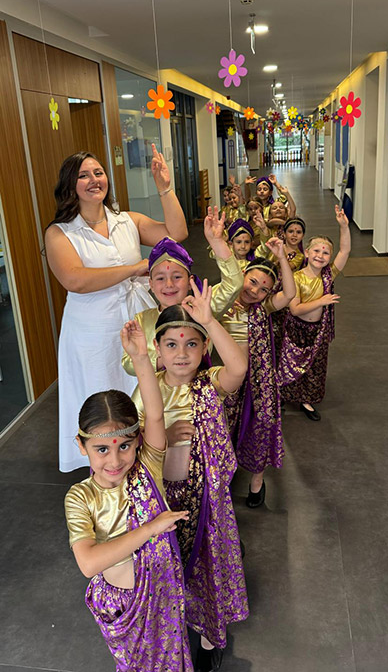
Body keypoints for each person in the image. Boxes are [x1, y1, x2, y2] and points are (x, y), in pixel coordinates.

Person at [45, 147, 188, 472]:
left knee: (143, 389)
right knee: (102, 397)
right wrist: (135, 268)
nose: (94, 180)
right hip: (92, 330)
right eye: (83, 175)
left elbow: (176, 234)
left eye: (98, 173)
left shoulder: (127, 220)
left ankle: (146, 461)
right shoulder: (60, 232)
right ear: (70, 185)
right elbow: (75, 279)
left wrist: (165, 188)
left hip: (136, 319)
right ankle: (109, 470)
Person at [132, 282, 249, 672]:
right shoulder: (145, 390)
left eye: (191, 344)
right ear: (157, 349)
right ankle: (173, 624)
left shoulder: (209, 384)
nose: (181, 353)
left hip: (207, 503)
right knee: (171, 567)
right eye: (171, 344)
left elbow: (238, 369)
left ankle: (209, 636)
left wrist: (210, 321)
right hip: (163, 500)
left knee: (207, 567)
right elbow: (135, 442)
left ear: (204, 348)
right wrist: (163, 434)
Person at [64, 321, 193, 671]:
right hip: (122, 604)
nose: (115, 460)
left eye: (124, 446)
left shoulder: (147, 465)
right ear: (82, 446)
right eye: (101, 449)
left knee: (171, 661)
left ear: (138, 441)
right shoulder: (81, 497)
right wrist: (151, 529)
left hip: (164, 591)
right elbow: (89, 563)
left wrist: (140, 358)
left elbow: (155, 414)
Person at [221, 242, 296, 508]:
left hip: (259, 381)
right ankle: (222, 475)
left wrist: (281, 258)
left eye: (264, 289)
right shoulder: (222, 305)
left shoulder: (262, 308)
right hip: (227, 381)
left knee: (261, 423)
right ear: (242, 275)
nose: (255, 291)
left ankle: (257, 479)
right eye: (252, 282)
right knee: (224, 427)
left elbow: (289, 293)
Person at [122, 206, 243, 370]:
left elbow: (234, 283)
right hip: (156, 387)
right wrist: (168, 360)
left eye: (177, 277)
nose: (169, 284)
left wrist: (217, 242)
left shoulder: (203, 309)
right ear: (150, 284)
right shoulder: (142, 320)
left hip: (200, 386)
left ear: (190, 281)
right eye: (160, 278)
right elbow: (128, 362)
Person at [279, 206, 351, 421]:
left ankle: (306, 400)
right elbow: (294, 309)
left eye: (325, 252)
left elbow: (345, 251)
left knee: (314, 367)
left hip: (318, 331)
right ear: (308, 252)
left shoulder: (328, 275)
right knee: (291, 363)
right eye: (316, 251)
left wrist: (344, 226)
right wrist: (322, 301)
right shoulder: (297, 277)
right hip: (296, 330)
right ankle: (283, 395)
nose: (320, 255)